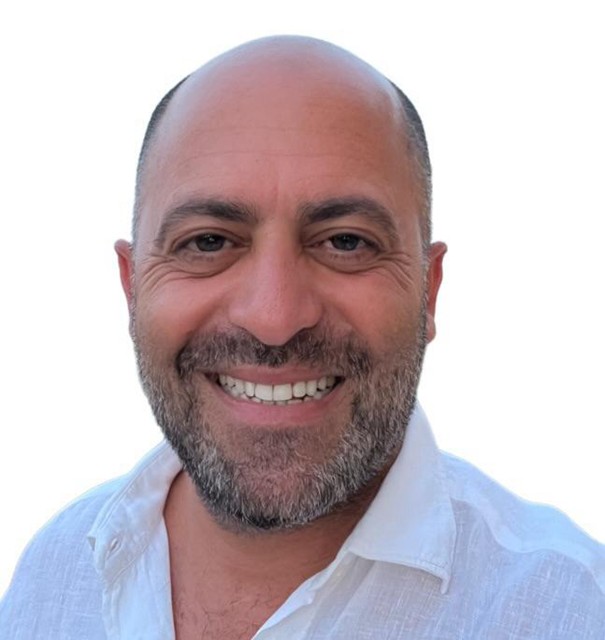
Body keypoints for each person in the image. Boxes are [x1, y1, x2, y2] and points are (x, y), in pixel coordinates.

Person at [1, 35, 604, 640]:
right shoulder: (53, 576)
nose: (274, 317)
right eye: (208, 242)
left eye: (346, 242)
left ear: (428, 290)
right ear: (132, 288)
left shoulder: (569, 612)